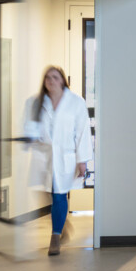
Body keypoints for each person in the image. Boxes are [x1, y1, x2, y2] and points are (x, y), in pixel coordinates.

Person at [24, 66, 93, 257]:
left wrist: (83, 160)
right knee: (44, 192)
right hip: (44, 156)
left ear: (62, 80)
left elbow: (82, 133)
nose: (50, 80)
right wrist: (29, 139)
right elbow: (30, 127)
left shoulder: (75, 102)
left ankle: (55, 238)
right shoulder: (36, 102)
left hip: (65, 157)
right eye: (47, 77)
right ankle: (63, 224)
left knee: (59, 195)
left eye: (55, 77)